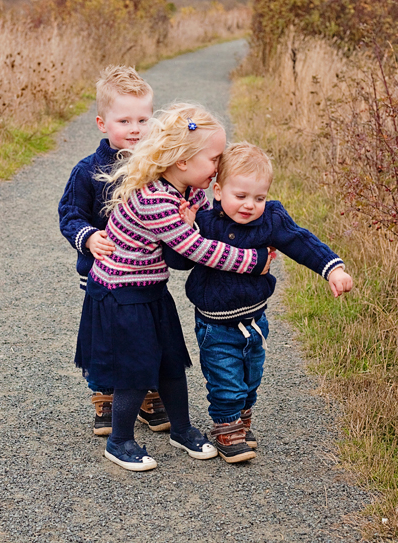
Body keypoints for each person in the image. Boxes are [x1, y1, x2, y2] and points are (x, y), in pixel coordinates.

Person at [78, 104, 275, 471]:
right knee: (136, 367)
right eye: (214, 158)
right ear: (183, 161)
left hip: (150, 286)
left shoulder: (188, 190)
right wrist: (253, 260)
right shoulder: (155, 199)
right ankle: (119, 441)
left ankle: (181, 428)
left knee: (170, 359)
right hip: (121, 294)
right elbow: (196, 249)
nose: (219, 166)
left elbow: (195, 236)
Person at [175, 142, 353, 463]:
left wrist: (332, 269)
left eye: (259, 198)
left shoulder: (271, 219)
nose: (249, 205)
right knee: (225, 376)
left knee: (251, 376)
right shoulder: (205, 222)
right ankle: (227, 427)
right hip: (216, 324)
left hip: (255, 320)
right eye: (240, 196)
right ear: (218, 191)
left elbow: (300, 241)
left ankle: (242, 418)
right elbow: (181, 261)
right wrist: (186, 230)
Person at [58, 65, 171, 437]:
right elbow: (70, 214)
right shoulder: (88, 171)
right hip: (101, 274)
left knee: (148, 334)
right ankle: (105, 396)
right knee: (105, 337)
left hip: (146, 273)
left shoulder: (157, 169)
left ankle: (146, 394)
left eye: (143, 119)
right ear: (102, 124)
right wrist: (89, 237)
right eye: (124, 121)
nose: (135, 129)